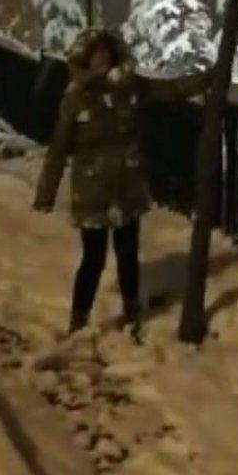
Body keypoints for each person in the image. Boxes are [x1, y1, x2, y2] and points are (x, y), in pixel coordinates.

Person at [32, 26, 210, 335]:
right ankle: (79, 319)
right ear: (85, 60)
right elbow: (59, 146)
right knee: (93, 258)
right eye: (95, 55)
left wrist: (206, 79)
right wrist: (46, 191)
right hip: (92, 190)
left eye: (105, 54)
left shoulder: (128, 87)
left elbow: (168, 90)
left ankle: (131, 310)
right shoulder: (76, 97)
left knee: (128, 254)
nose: (101, 60)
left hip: (127, 185)